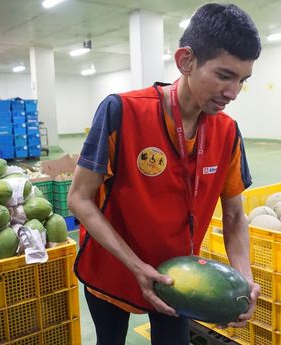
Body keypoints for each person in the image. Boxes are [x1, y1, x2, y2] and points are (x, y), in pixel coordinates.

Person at [68, 4, 262, 345]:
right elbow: (79, 199)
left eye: (242, 80)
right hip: (112, 267)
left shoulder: (228, 133)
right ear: (186, 61)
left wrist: (244, 276)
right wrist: (135, 265)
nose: (233, 93)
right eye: (224, 75)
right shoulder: (121, 111)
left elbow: (233, 214)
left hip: (177, 279)